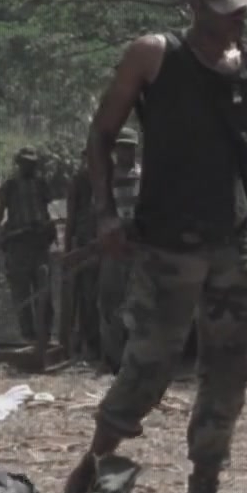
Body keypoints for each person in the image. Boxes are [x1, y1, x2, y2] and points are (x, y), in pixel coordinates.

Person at [63, 0, 247, 493]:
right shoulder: (154, 56)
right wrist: (106, 213)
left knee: (229, 373)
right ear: (193, 8)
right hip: (166, 245)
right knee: (146, 368)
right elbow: (101, 133)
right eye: (225, 10)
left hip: (232, 242)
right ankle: (92, 474)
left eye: (243, 7)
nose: (239, 18)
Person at [0, 149, 58, 343]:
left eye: (32, 163)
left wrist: (49, 230)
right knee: (21, 291)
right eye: (25, 163)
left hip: (39, 243)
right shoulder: (10, 186)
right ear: (19, 164)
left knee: (44, 290)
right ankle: (28, 335)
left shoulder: (41, 184)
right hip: (18, 245)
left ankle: (45, 334)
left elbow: (46, 211)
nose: (29, 166)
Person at [97, 128, 142, 371]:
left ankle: (135, 358)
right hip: (114, 247)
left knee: (138, 304)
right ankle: (113, 358)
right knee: (110, 302)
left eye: (129, 147)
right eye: (122, 147)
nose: (126, 152)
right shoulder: (107, 178)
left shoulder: (143, 176)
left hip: (138, 248)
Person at [63, 145, 102, 362]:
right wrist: (68, 249)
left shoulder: (109, 178)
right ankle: (83, 342)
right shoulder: (78, 181)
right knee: (82, 296)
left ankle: (95, 343)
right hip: (83, 242)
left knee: (98, 296)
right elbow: (71, 218)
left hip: (105, 243)